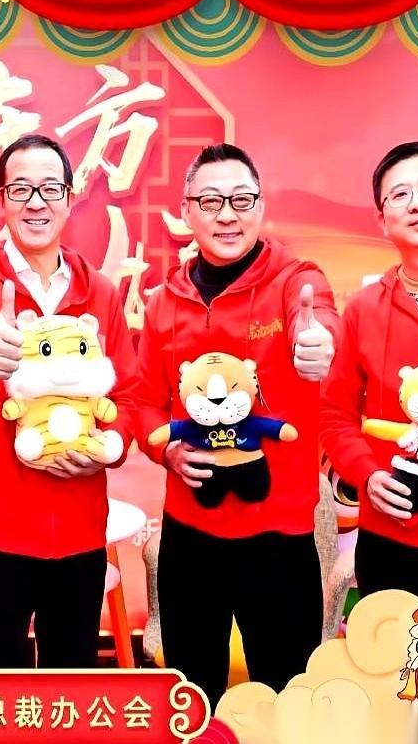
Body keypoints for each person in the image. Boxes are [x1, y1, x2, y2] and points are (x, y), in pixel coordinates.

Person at [137, 143, 339, 707]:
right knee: (191, 695)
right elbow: (142, 402)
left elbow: (319, 319)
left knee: (287, 695)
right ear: (187, 211)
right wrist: (165, 451)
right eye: (211, 201)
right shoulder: (163, 302)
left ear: (260, 206)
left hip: (278, 538)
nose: (227, 215)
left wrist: (317, 343)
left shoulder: (296, 280)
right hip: (190, 536)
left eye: (242, 200)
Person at [0, 134, 138, 668]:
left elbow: (130, 394)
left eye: (50, 188)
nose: (36, 202)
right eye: (21, 189)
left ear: (69, 199)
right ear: (1, 199)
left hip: (79, 530)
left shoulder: (100, 292)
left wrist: (111, 445)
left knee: (72, 683)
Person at [321, 141, 418, 597]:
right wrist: (367, 474)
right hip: (390, 536)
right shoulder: (363, 309)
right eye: (400, 194)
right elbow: (335, 415)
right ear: (382, 219)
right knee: (391, 645)